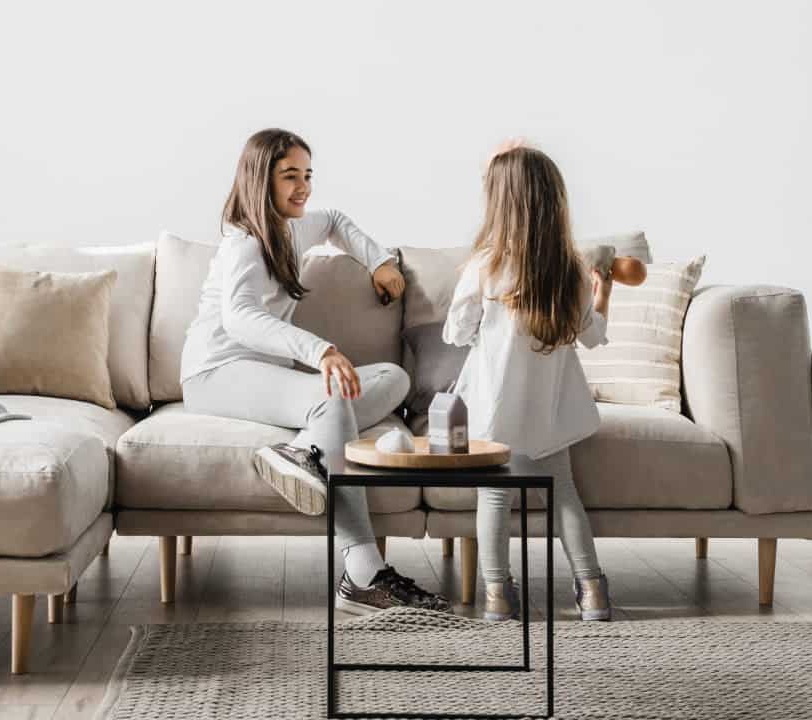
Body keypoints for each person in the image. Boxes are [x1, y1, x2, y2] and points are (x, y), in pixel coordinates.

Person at [180, 128, 450, 614]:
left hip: (266, 375)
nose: (303, 187)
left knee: (394, 378)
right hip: (218, 371)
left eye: (307, 175)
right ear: (261, 179)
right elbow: (239, 318)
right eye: (290, 176)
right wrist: (320, 351)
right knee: (333, 399)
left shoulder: (292, 227)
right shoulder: (245, 243)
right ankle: (364, 573)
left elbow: (336, 221)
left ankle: (307, 449)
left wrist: (380, 261)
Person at [444, 142, 614, 621]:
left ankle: (497, 594)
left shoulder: (485, 266)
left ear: (500, 204)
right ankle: (593, 591)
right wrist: (603, 293)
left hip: (494, 412)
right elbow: (593, 336)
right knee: (563, 494)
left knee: (494, 496)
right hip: (550, 413)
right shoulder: (569, 271)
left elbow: (456, 333)